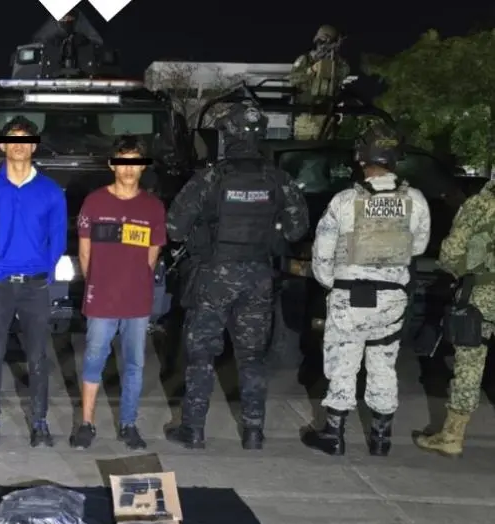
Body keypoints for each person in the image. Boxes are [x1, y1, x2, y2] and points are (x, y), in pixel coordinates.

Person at [164, 102, 309, 450]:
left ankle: (194, 429)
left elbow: (174, 227)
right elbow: (297, 229)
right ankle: (253, 432)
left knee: (202, 355)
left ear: (228, 135)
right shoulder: (278, 179)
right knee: (253, 357)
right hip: (258, 277)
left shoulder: (211, 178)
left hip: (215, 277)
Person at [302, 124, 430, 456]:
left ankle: (334, 434)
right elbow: (418, 246)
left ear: (362, 160)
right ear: (396, 159)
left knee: (343, 361)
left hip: (351, 295)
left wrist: (332, 284)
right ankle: (381, 438)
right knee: (383, 363)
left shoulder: (346, 201)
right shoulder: (415, 200)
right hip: (391, 298)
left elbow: (322, 254)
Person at [0, 116, 67, 448]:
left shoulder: (51, 191)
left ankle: (39, 424)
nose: (19, 146)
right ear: (3, 145)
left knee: (37, 357)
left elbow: (57, 239)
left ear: (34, 146)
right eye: (13, 139)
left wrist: (43, 272)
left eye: (26, 140)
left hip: (35, 286)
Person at [70, 136, 165, 450]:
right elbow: (85, 253)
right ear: (112, 165)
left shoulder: (152, 207)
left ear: (142, 167)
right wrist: (99, 284)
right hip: (102, 300)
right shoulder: (95, 203)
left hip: (137, 301)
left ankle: (128, 424)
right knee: (94, 360)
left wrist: (132, 281)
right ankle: (86, 424)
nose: (128, 169)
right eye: (122, 162)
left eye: (134, 163)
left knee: (134, 365)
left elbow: (151, 256)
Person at [414, 184, 495, 457]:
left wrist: (462, 271)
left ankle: (452, 435)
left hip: (481, 294)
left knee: (470, 364)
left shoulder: (480, 205)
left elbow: (450, 253)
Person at [290, 25, 349, 140]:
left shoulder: (338, 61)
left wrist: (332, 64)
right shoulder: (306, 59)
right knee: (304, 146)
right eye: (323, 41)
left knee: (327, 147)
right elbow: (293, 78)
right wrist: (311, 70)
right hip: (307, 112)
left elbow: (345, 71)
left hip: (327, 111)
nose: (325, 45)